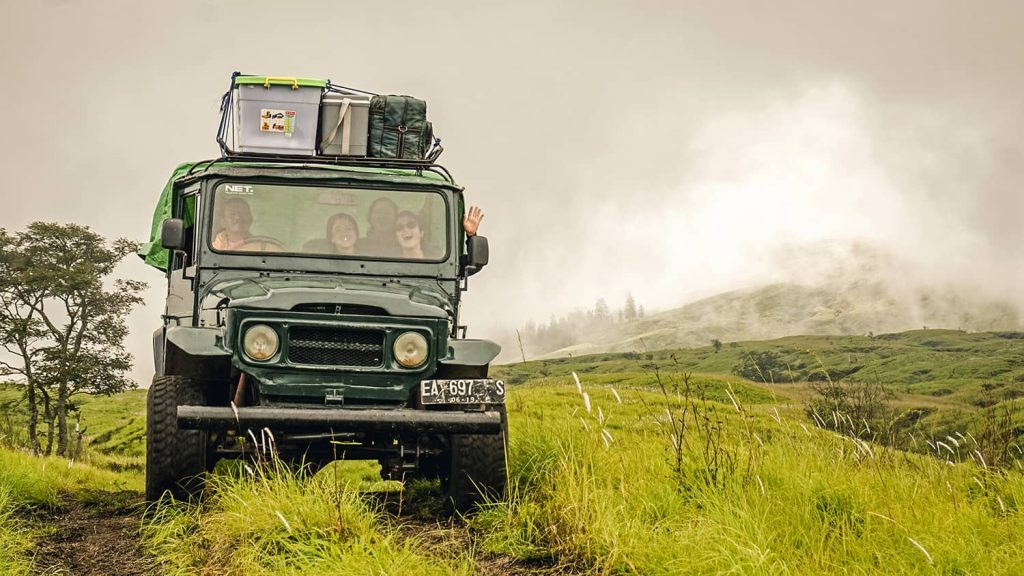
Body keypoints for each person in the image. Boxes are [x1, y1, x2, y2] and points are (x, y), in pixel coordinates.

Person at [211, 196, 283, 252]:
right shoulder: (213, 249)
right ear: (223, 222)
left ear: (250, 219)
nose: (238, 218)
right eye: (232, 214)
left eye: (243, 213)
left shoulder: (265, 248)